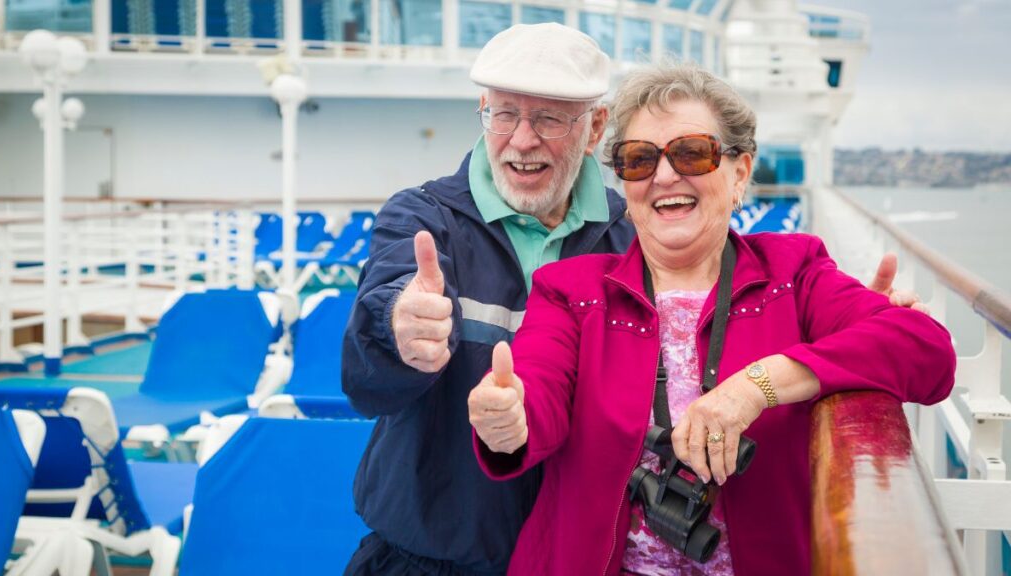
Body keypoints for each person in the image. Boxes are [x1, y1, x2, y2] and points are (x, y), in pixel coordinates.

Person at [468, 62, 956, 576]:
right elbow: (535, 394)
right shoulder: (572, 290)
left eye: (692, 153)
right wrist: (507, 420)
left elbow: (928, 351)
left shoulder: (793, 272)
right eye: (639, 160)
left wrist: (756, 386)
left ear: (740, 170)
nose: (663, 175)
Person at [341, 23, 634, 575]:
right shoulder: (421, 217)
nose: (522, 141)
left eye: (549, 118)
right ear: (483, 110)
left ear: (594, 128)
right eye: (504, 114)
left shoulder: (632, 243)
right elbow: (366, 382)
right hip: (424, 562)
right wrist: (397, 325)